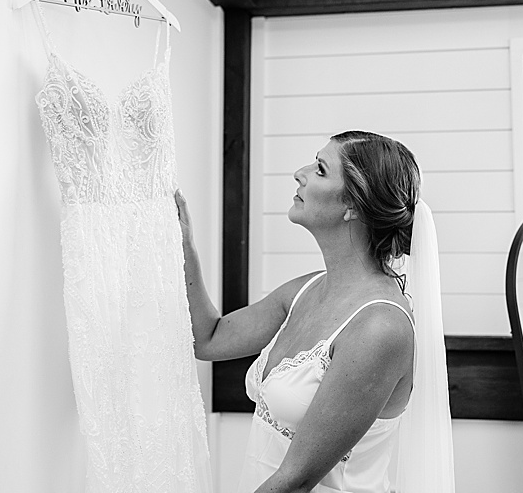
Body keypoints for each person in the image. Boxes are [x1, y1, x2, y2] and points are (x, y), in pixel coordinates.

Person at [175, 130, 455, 493]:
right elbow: (209, 338)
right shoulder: (305, 290)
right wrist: (183, 245)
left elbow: (296, 480)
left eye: (320, 169)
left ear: (353, 205)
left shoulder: (381, 328)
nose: (300, 173)